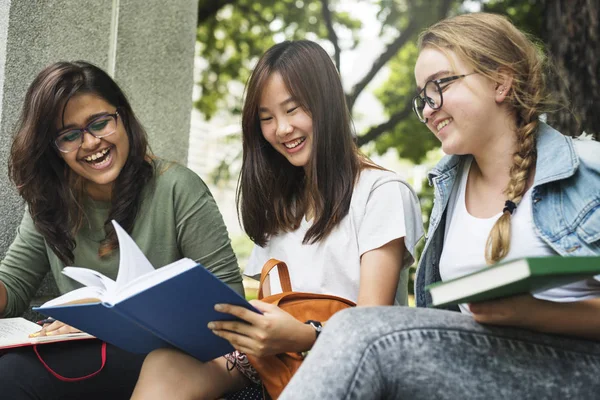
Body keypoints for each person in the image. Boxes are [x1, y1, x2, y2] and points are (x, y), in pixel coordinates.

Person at [279, 12, 600, 400]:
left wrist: (532, 314)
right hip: (479, 369)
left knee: (359, 331)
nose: (428, 108)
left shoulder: (588, 168)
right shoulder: (450, 188)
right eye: (423, 96)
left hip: (574, 370)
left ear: (501, 81)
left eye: (440, 85)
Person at [130, 40, 424, 399]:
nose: (281, 129)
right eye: (267, 118)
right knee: (163, 363)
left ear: (326, 105)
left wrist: (303, 335)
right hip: (273, 367)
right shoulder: (280, 205)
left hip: (348, 373)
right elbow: (270, 311)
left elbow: (370, 330)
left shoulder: (382, 191)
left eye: (293, 109)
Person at [0, 61, 243, 400]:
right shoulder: (49, 201)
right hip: (86, 355)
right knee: (8, 373)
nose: (89, 143)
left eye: (99, 123)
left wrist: (107, 320)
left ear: (123, 117)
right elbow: (12, 287)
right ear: (53, 148)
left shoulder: (176, 188)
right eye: (69, 135)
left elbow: (231, 303)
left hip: (170, 360)